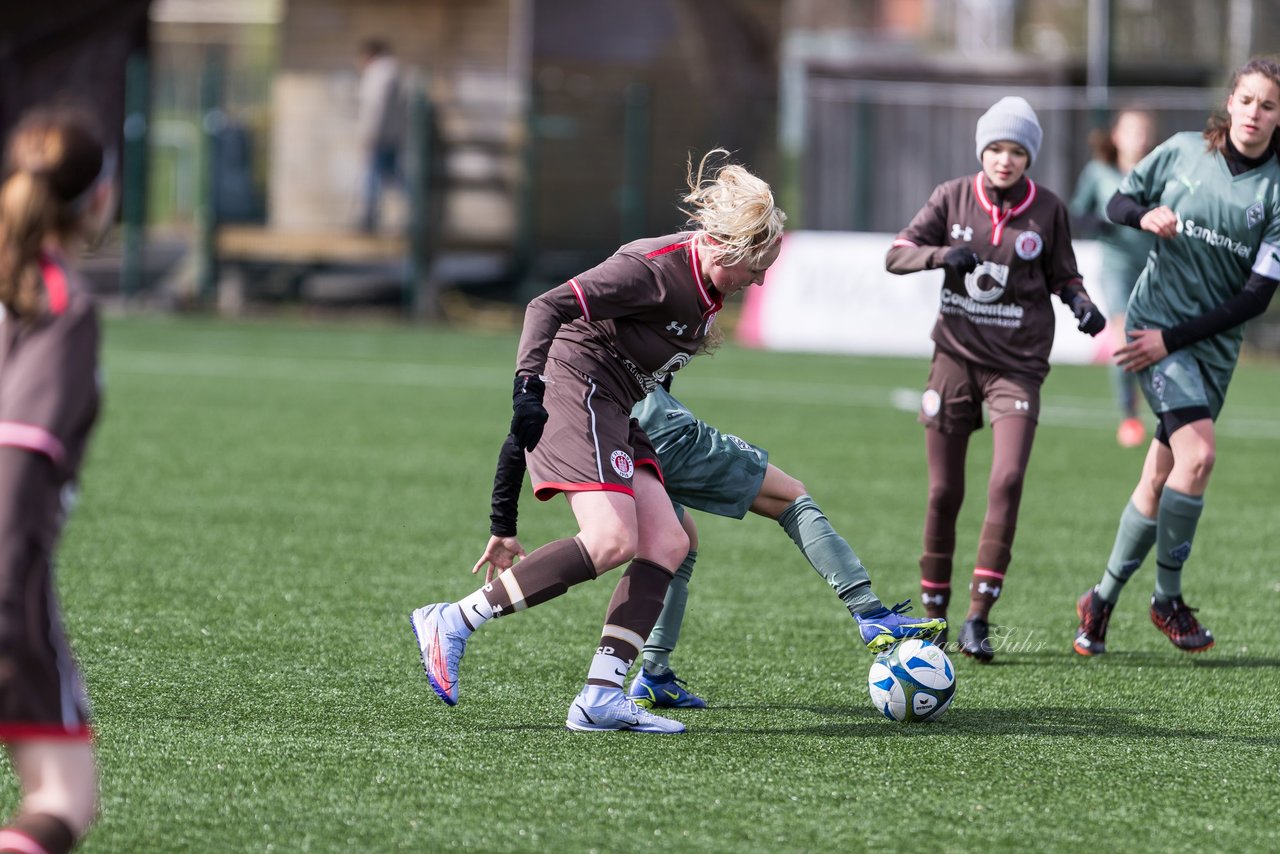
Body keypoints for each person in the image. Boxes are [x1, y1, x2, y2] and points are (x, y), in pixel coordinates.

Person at [472, 378, 946, 710]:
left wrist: (502, 523)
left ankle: (652, 676)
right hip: (657, 429)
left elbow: (522, 429)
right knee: (791, 497)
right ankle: (870, 612)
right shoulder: (654, 296)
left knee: (676, 542)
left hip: (620, 440)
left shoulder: (562, 358)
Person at [885, 96, 1106, 663]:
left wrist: (1081, 305)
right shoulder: (951, 196)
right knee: (942, 491)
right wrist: (941, 255)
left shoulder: (1048, 209)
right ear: (982, 150)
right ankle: (933, 615)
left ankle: (978, 617)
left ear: (1028, 156)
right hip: (955, 358)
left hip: (1018, 366)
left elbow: (1065, 274)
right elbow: (896, 254)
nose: (1004, 160)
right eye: (995, 148)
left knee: (1006, 480)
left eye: (1016, 150)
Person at [1074, 57, 1280, 657]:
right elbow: (1116, 206)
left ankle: (1101, 600)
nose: (1255, 113)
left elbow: (1255, 299)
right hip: (1153, 331)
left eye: (1268, 106)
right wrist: (1145, 213)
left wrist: (1178, 340)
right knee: (1200, 455)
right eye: (1247, 100)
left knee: (1160, 475)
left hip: (1206, 347)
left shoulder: (1275, 192)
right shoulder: (1185, 152)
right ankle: (1167, 598)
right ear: (1231, 101)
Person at [0, 106, 114, 854]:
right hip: (8, 584)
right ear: (97, 199)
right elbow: (14, 475)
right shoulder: (57, 308)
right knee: (65, 794)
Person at [1070, 109, 1158, 448]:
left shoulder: (1158, 173)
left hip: (1154, 266)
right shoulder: (1098, 172)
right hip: (1116, 264)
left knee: (1150, 339)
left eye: (1146, 130)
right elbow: (1077, 211)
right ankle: (1129, 416)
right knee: (1123, 334)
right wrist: (1099, 221)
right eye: (1133, 129)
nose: (1141, 136)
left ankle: (1164, 410)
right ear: (1117, 136)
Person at [355, 38, 405, 233]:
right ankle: (413, 214)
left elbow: (375, 109)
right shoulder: (393, 73)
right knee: (393, 177)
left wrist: (369, 134)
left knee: (373, 177)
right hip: (391, 136)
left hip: (379, 137)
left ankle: (369, 218)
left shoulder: (378, 75)